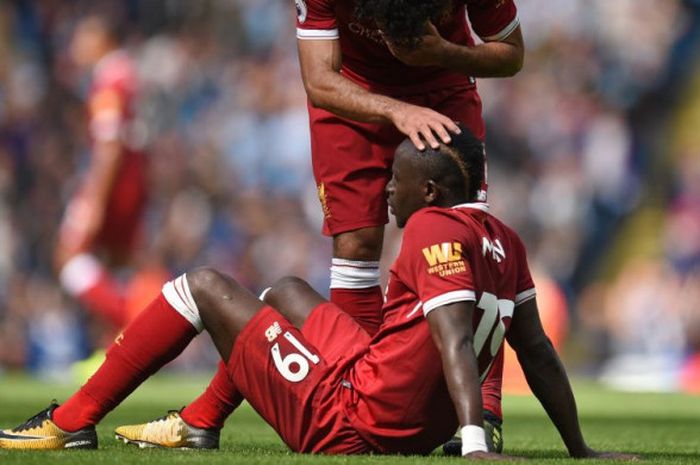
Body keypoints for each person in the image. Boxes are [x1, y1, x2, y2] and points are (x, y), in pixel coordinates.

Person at [0, 130, 637, 461]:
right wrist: (577, 449)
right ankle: (198, 423)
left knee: (201, 286)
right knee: (286, 290)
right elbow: (539, 352)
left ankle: (70, 423)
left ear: (433, 191)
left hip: (355, 422)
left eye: (399, 179)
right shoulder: (505, 237)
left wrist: (474, 443)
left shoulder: (432, 227)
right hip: (391, 399)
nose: (388, 191)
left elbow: (450, 339)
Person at [109, 0, 525, 450]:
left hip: (443, 90)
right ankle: (360, 401)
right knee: (356, 248)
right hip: (352, 93)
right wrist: (396, 111)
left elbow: (512, 52)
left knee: (465, 242)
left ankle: (485, 415)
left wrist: (442, 52)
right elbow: (319, 79)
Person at [55, 14, 148, 333]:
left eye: (83, 37)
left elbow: (109, 145)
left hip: (115, 181)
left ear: (103, 39)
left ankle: (129, 320)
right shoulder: (128, 73)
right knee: (115, 265)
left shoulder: (109, 80)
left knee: (69, 257)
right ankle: (113, 351)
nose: (76, 46)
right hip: (134, 179)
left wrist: (94, 199)